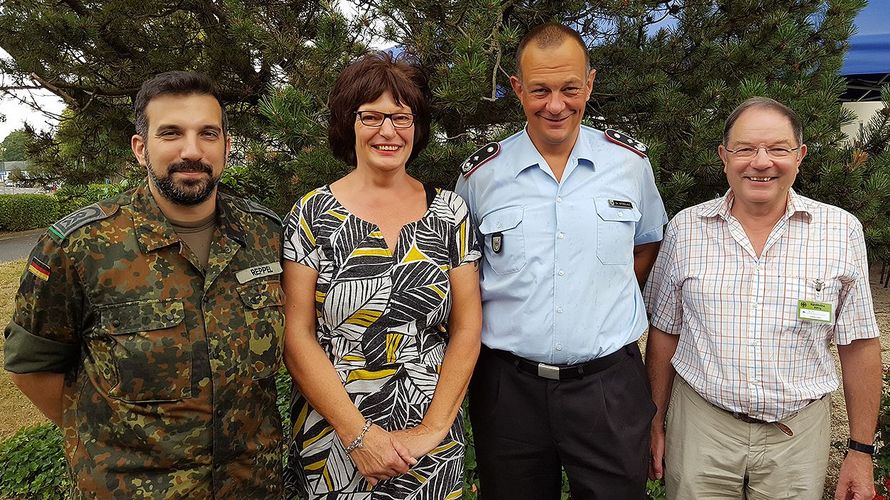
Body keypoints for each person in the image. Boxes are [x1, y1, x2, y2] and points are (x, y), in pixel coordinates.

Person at [3, 71, 285, 498]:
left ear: (227, 147)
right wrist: (109, 440)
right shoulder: (82, 245)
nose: (192, 150)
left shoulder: (266, 236)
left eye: (208, 134)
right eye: (171, 133)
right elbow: (33, 369)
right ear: (141, 148)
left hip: (254, 487)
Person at [454, 22, 668, 500]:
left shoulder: (629, 165)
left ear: (590, 84)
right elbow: (465, 271)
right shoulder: (480, 177)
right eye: (540, 90)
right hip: (509, 389)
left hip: (608, 387)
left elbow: (647, 241)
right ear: (517, 89)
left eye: (570, 88)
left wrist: (595, 296)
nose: (556, 105)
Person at [644, 96, 881, 500]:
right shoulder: (686, 229)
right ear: (724, 156)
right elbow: (664, 334)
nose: (761, 161)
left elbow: (859, 344)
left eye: (777, 149)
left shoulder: (841, 231)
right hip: (702, 429)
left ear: (800, 155)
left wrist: (859, 451)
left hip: (797, 436)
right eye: (745, 148)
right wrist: (654, 422)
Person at [281, 52, 482, 499]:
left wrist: (431, 430)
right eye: (371, 116)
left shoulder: (450, 212)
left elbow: (467, 329)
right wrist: (359, 436)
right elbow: (298, 336)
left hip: (428, 438)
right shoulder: (311, 215)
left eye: (401, 117)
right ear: (347, 123)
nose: (387, 131)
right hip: (334, 437)